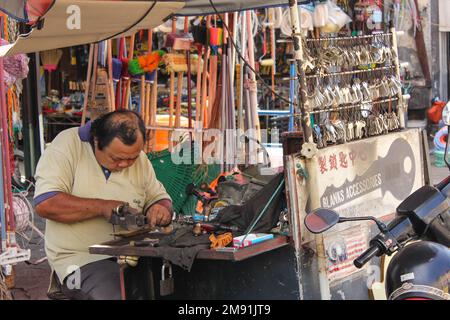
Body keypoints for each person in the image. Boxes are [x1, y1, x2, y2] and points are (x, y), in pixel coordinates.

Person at [34, 110, 173, 300]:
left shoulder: (138, 159)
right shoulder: (67, 146)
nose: (125, 164)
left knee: (180, 283)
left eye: (132, 158)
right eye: (117, 159)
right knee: (119, 295)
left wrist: (161, 208)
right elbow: (46, 204)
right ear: (97, 141)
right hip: (80, 259)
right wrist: (103, 207)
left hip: (135, 254)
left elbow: (159, 196)